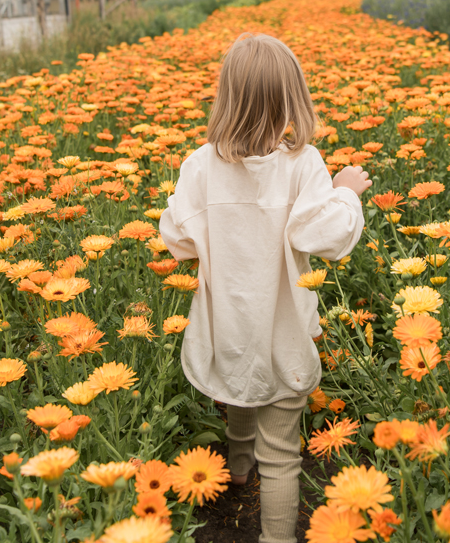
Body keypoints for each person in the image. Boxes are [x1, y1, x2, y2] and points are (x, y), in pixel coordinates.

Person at [160, 32, 371, 543]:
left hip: (227, 324)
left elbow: (176, 236)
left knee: (238, 391)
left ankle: (236, 470)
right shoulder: (305, 165)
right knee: (282, 453)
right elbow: (324, 235)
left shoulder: (200, 164)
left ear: (226, 97)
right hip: (283, 333)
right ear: (292, 99)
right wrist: (346, 193)